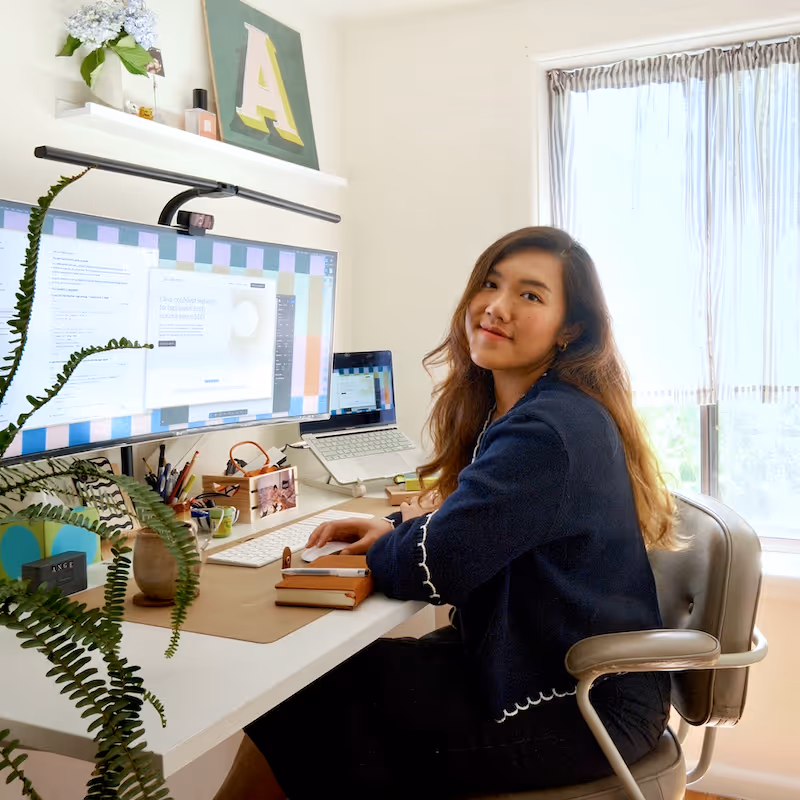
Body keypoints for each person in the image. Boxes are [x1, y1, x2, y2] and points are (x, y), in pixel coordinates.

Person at [214, 227, 677, 800]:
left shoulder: (548, 431)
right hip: (550, 669)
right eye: (491, 283)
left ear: (571, 329)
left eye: (531, 296)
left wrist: (396, 545)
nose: (498, 306)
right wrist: (393, 530)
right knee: (300, 691)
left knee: (303, 703)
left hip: (583, 706)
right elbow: (477, 526)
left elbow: (444, 562)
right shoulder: (532, 409)